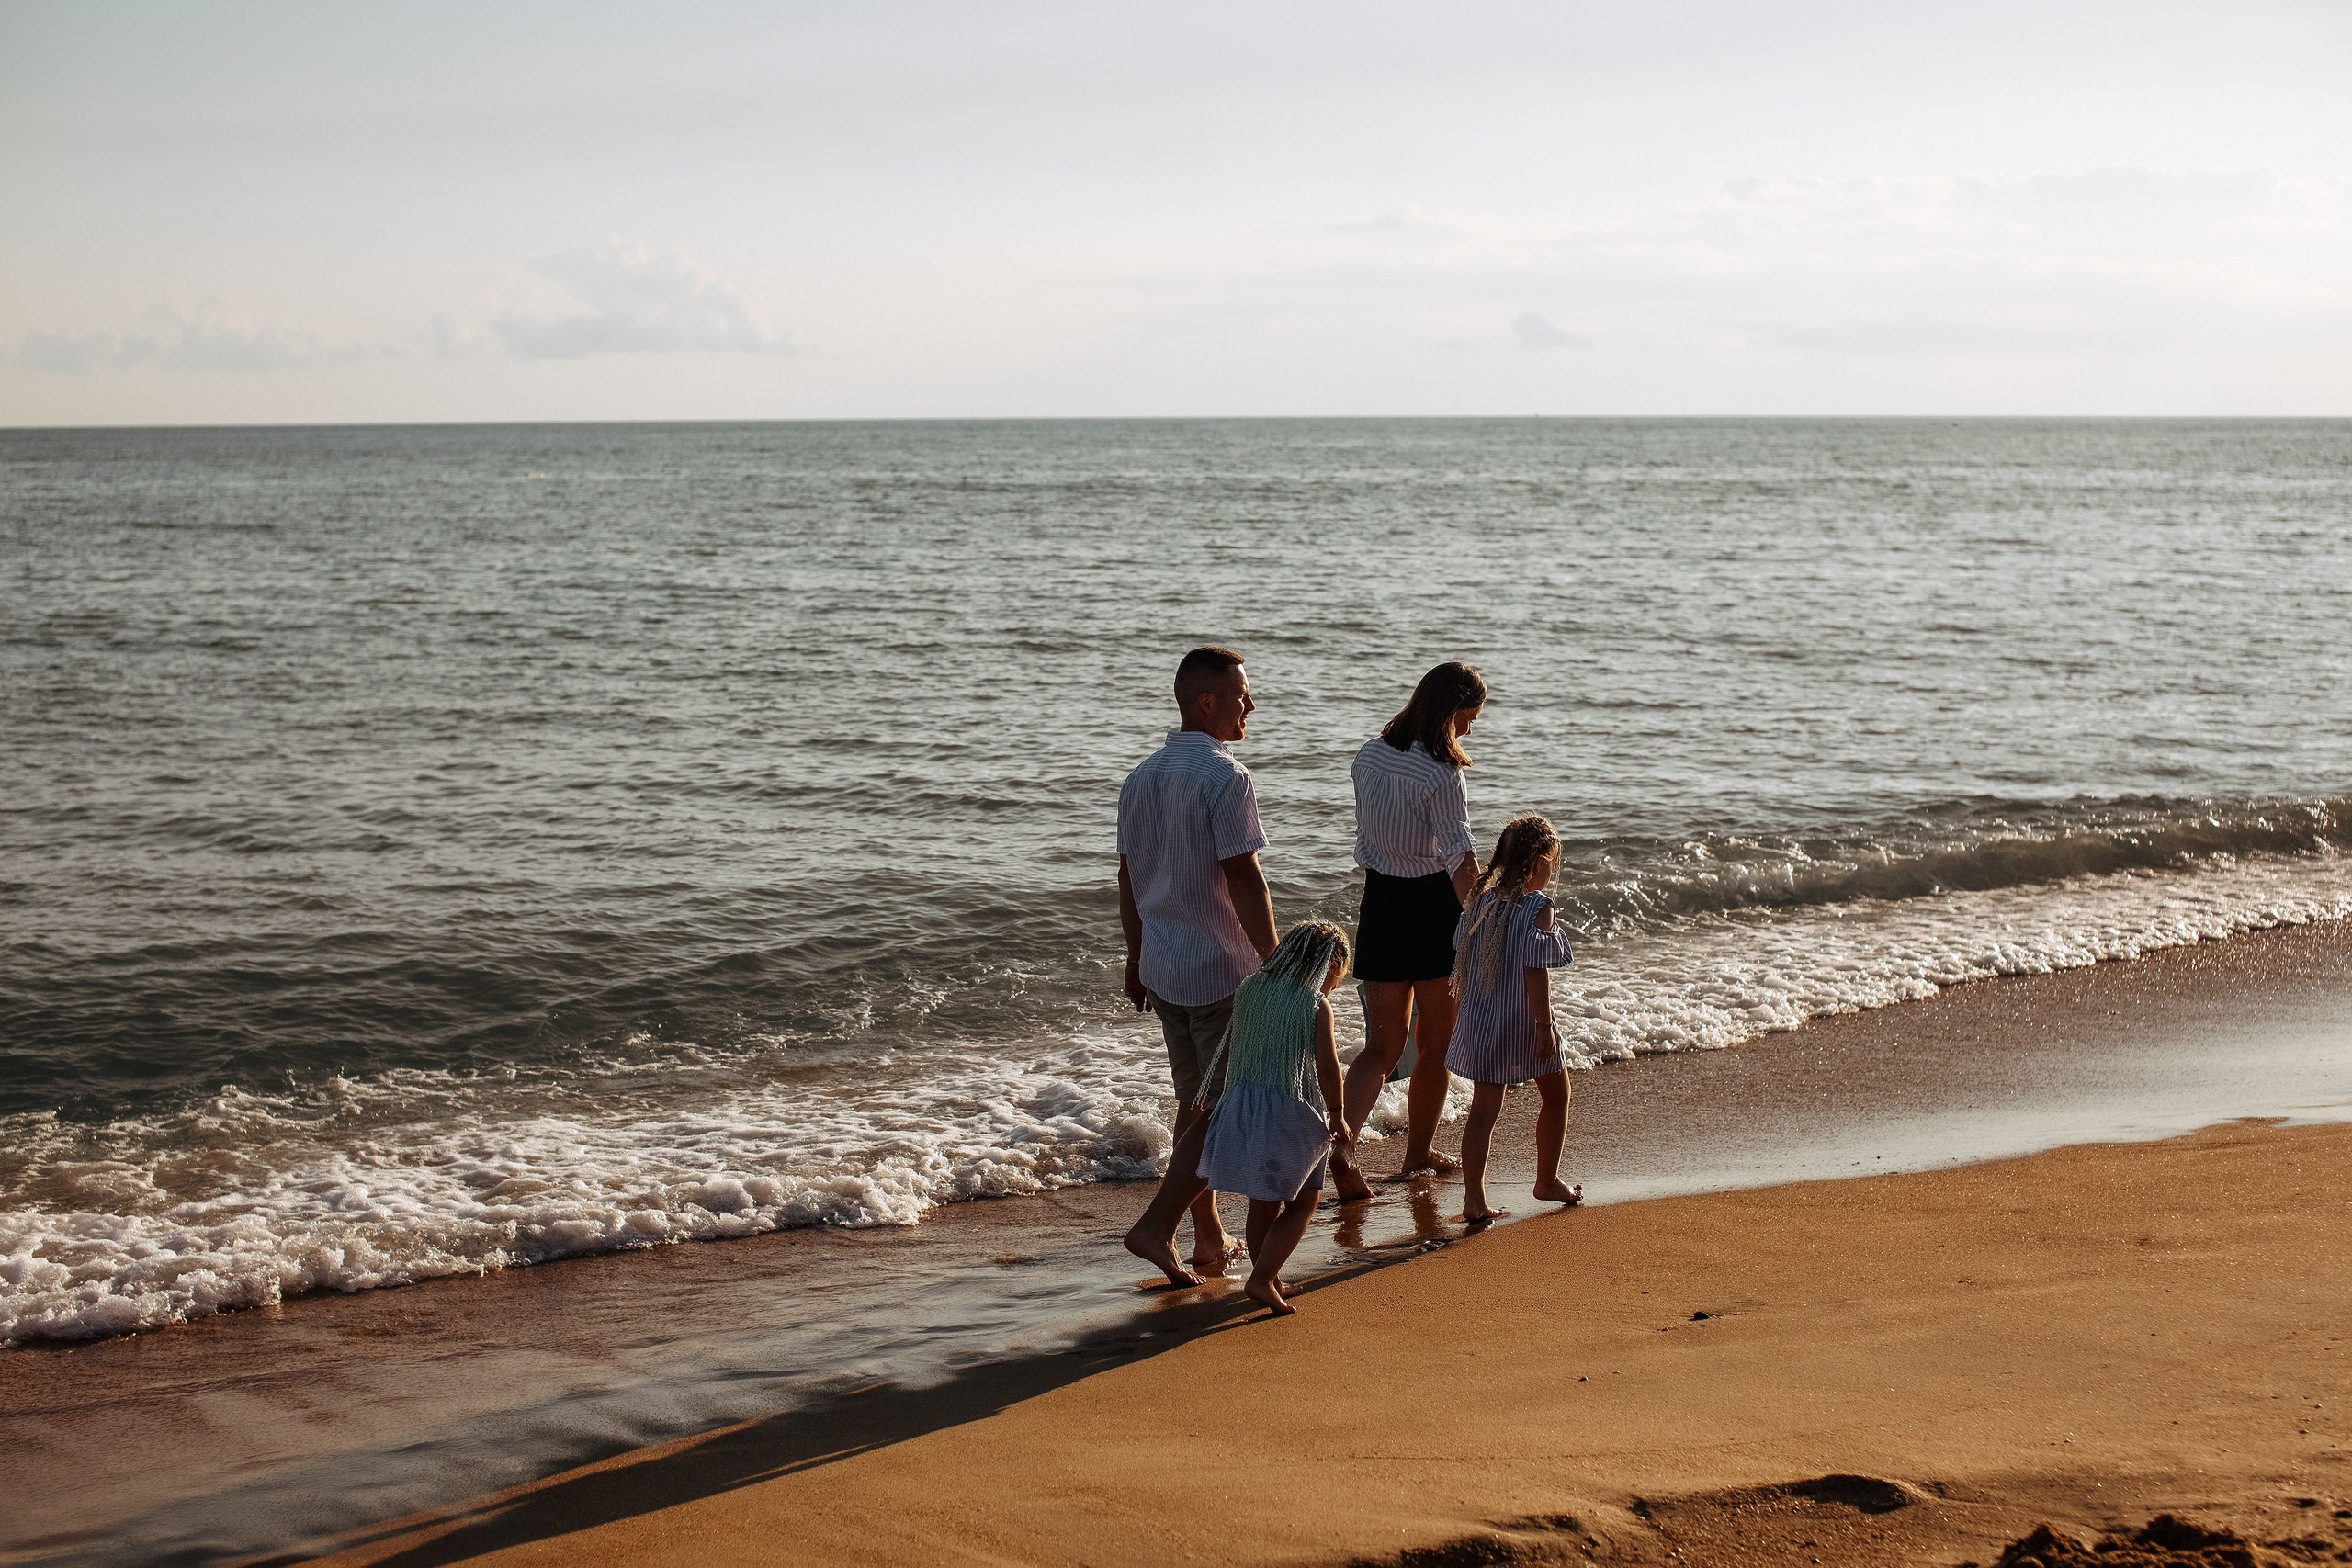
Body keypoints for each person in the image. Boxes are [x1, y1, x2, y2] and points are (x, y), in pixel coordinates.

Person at [1116, 645, 1279, 1269]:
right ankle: (1157, 1226)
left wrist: (1136, 959)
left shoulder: (1141, 777)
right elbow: (1244, 877)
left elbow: (1128, 882)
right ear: (1206, 702)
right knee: (1222, 1111)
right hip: (1219, 970)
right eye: (1242, 696)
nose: (1251, 706)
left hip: (1166, 968)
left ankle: (1208, 1238)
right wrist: (1276, 959)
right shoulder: (1224, 776)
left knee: (1197, 1102)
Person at [1124, 921, 1353, 1311]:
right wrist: (1337, 1114)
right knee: (1303, 1203)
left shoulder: (1249, 990)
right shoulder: (1315, 1004)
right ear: (1327, 966)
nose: (1331, 987)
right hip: (1290, 1113)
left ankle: (1269, 1278)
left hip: (1241, 1104)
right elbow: (1327, 1066)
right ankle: (1261, 1279)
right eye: (1334, 978)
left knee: (1261, 1204)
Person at [1329, 660, 1488, 1201]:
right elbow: (1458, 855)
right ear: (1450, 710)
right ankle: (1416, 1153)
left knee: (1380, 1046)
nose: (1469, 729)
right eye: (1469, 717)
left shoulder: (1369, 754)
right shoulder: (1443, 773)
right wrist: (1482, 920)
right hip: (1432, 906)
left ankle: (1343, 1149)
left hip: (1381, 901)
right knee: (1433, 1048)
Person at [1446, 813, 1582, 1223]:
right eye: (1551, 865)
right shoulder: (1538, 906)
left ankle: (1474, 1200)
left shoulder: (1480, 899)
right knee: (1557, 1095)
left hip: (1483, 1017)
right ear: (1538, 864)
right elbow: (1533, 969)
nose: (1551, 873)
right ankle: (1546, 1180)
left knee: (1483, 1112)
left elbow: (1463, 958)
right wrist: (1543, 1027)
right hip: (1523, 1018)